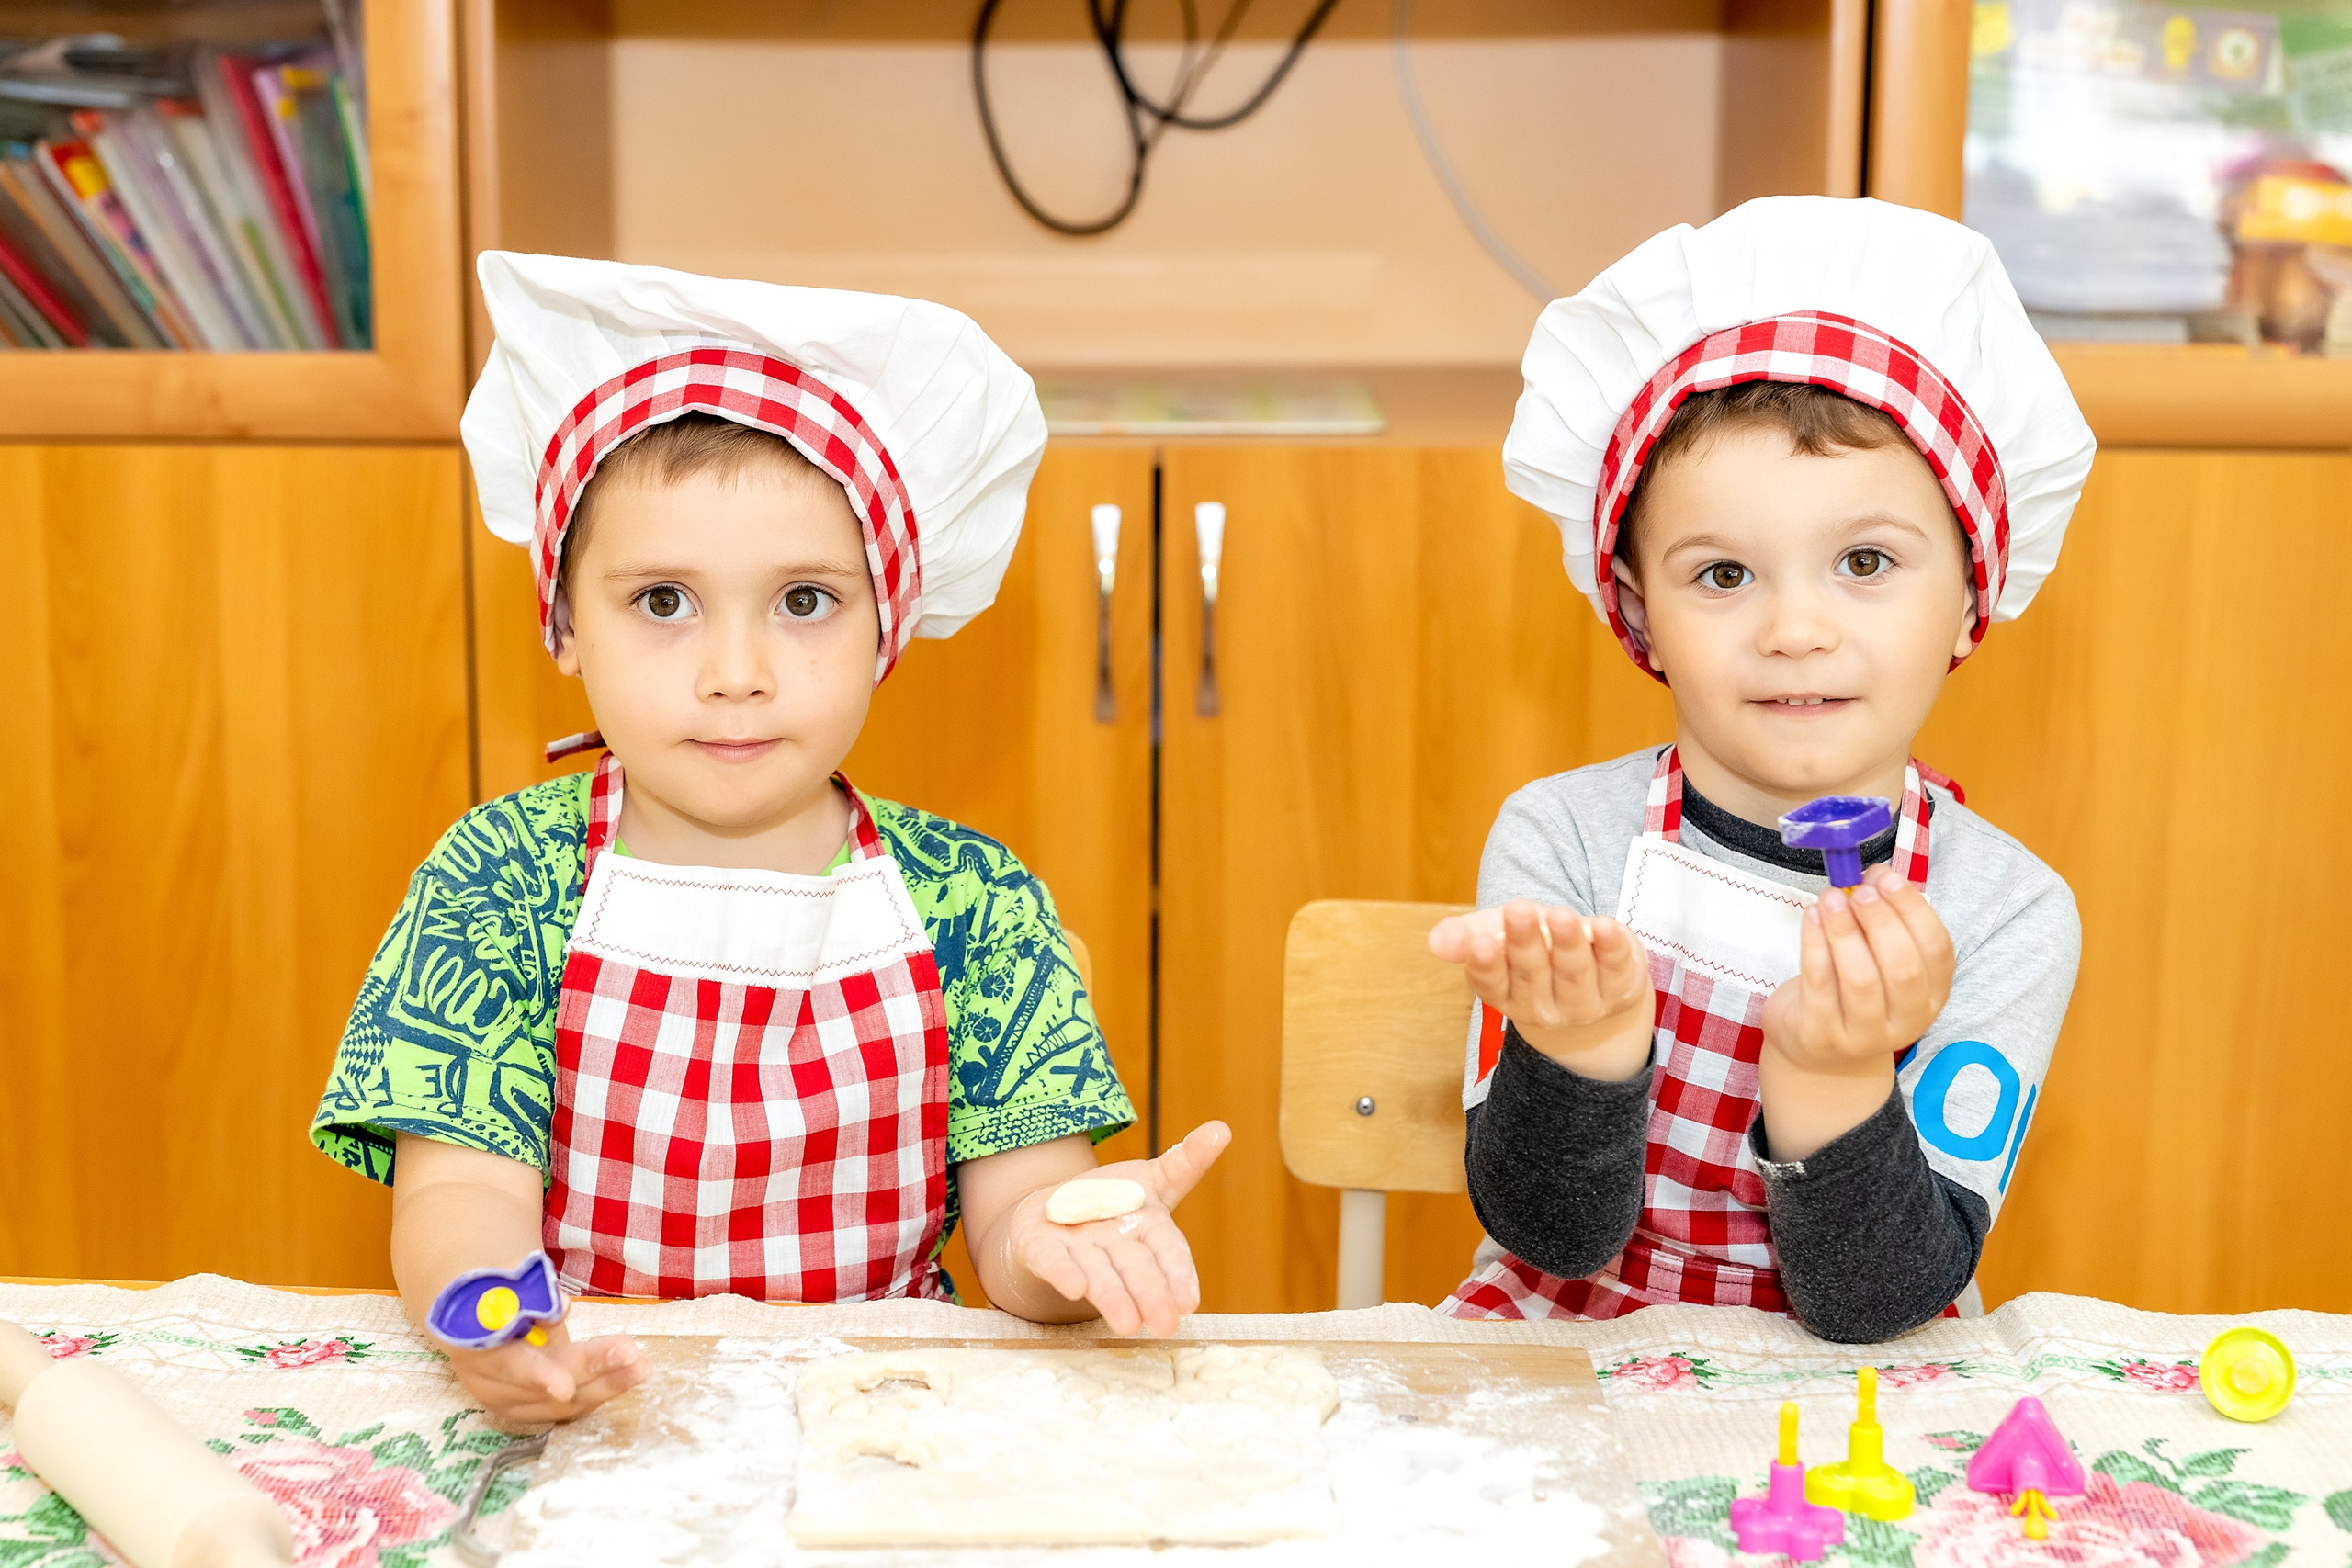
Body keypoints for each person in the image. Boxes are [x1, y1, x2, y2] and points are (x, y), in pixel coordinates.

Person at [311, 253, 1228, 1420]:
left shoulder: (976, 901)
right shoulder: (499, 877)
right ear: (562, 624)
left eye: (804, 603)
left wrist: (1066, 1246)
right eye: (661, 602)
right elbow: (458, 1194)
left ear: (885, 627)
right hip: (594, 1394)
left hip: (891, 1408)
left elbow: (1012, 1232)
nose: (735, 676)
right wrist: (499, 1320)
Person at [1427, 197, 2095, 1341]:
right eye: (1724, 576)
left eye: (1865, 561)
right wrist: (1583, 1052)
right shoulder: (1563, 843)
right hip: (1567, 1365)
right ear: (1636, 610)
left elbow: (1875, 1300)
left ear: (1971, 592)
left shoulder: (2005, 912)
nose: (1795, 629)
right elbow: (1549, 1234)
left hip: (1860, 1414)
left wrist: (1831, 1077)